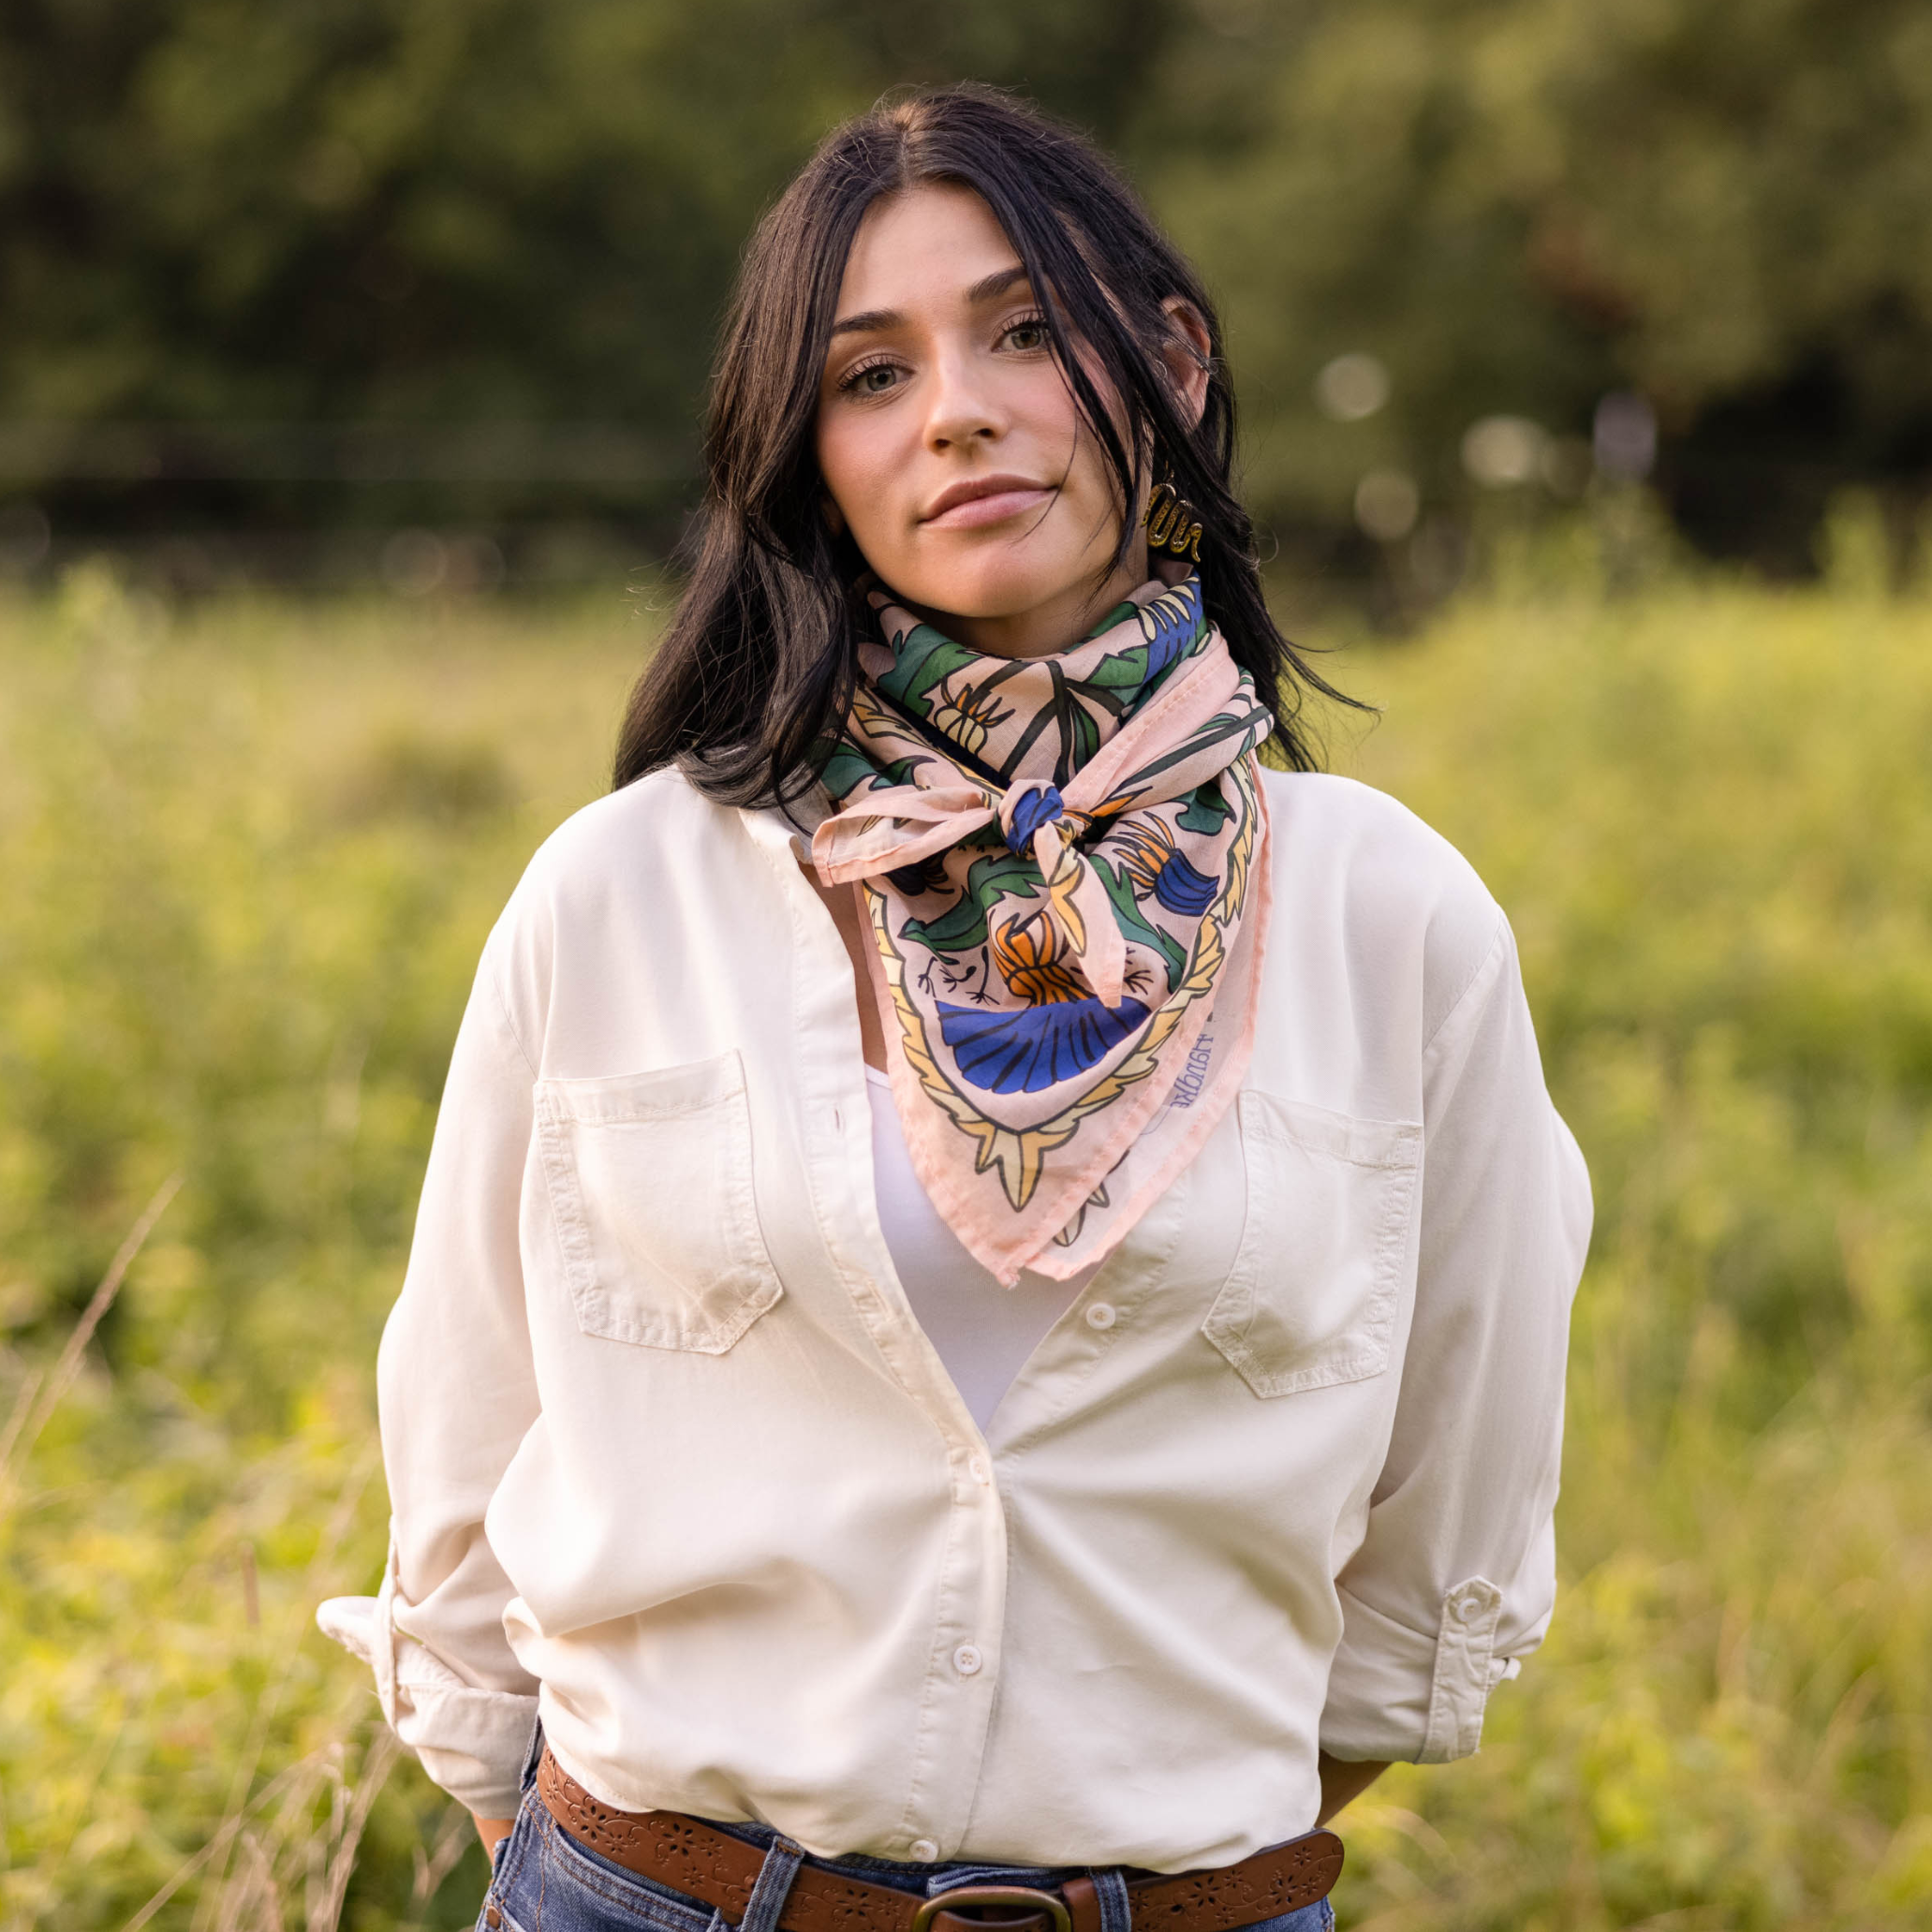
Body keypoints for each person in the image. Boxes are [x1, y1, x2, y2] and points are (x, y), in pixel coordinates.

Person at [318, 84, 1590, 1932]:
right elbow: (459, 1433)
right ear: (803, 457)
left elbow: (1450, 1505)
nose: (959, 412)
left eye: (1019, 331)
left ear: (1166, 363)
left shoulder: (1383, 915)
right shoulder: (626, 891)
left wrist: (1153, 1839)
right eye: (868, 374)